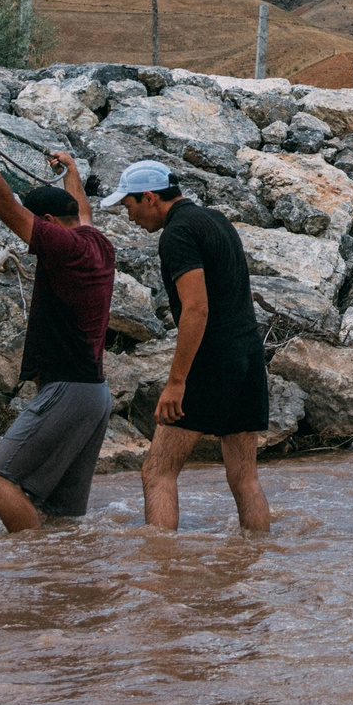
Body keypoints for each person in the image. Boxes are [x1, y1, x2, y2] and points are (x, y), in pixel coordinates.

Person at [0, 116, 114, 532]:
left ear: (46, 220)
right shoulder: (98, 243)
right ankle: (55, 585)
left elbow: (2, 203)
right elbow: (84, 211)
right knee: (58, 516)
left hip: (68, 389)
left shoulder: (63, 246)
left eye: (36, 220)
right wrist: (71, 172)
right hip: (93, 394)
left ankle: (31, 565)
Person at [106, 159, 271, 535]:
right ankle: (259, 560)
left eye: (128, 206)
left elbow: (196, 309)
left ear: (149, 198)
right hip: (248, 357)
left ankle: (163, 577)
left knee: (157, 471)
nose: (128, 216)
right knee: (245, 478)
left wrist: (177, 381)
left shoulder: (177, 234)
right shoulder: (216, 220)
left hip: (210, 363)